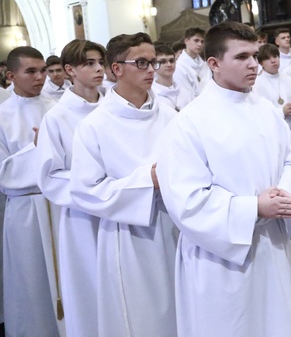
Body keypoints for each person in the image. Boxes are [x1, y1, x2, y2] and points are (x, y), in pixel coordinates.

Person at [156, 21, 291, 337]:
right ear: (214, 63)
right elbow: (187, 201)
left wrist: (284, 195)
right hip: (222, 259)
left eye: (254, 55)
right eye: (241, 57)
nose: (254, 64)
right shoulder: (189, 123)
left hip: (272, 245)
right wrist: (253, 208)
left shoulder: (267, 110)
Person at [70, 32, 178, 337]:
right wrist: (147, 181)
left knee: (180, 310)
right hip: (128, 234)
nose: (150, 70)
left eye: (153, 62)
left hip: (176, 225)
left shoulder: (170, 116)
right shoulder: (94, 125)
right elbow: (85, 190)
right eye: (141, 63)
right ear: (116, 69)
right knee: (141, 318)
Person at [36, 39, 107, 337]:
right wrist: (93, 187)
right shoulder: (57, 117)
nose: (99, 69)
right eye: (89, 63)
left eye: (100, 62)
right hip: (83, 216)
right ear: (69, 70)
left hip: (122, 210)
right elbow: (50, 176)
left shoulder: (113, 108)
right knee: (91, 287)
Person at [0, 46, 59, 336]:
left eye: (43, 70)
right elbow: (4, 173)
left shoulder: (57, 108)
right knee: (31, 283)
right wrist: (37, 149)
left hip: (61, 206)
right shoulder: (2, 116)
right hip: (25, 210)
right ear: (10, 76)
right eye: (31, 71)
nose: (40, 77)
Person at [254, 43, 291, 143]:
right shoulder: (257, 84)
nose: (273, 61)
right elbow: (259, 113)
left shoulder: (287, 78)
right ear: (261, 63)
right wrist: (282, 112)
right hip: (273, 135)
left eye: (275, 56)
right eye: (267, 58)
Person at [152, 43, 192, 111]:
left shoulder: (185, 90)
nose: (169, 65)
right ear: (154, 65)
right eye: (163, 62)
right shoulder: (152, 94)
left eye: (171, 61)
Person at [174, 27, 210, 97]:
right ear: (186, 41)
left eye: (202, 41)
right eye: (196, 40)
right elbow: (185, 95)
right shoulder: (179, 67)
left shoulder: (205, 65)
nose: (200, 44)